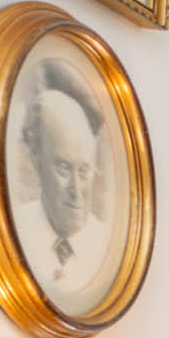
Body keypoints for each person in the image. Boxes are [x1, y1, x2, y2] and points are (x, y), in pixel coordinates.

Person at [17, 57, 104, 290]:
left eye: (84, 171)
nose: (76, 190)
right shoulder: (15, 228)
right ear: (38, 160)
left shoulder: (105, 245)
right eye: (64, 168)